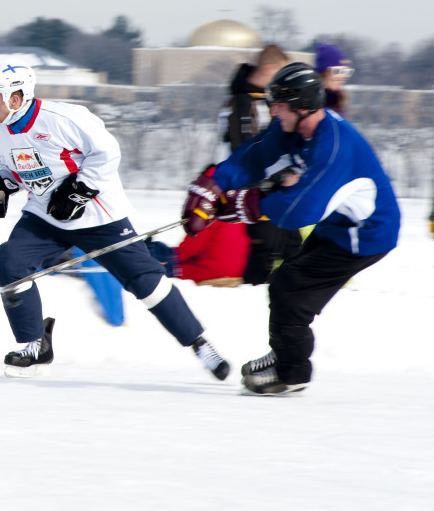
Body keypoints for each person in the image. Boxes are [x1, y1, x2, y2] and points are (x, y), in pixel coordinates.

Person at [0, 62, 230, 380]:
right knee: (10, 262)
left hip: (98, 215)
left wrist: (79, 191)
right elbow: (17, 165)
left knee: (145, 281)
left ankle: (200, 344)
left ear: (16, 99)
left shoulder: (63, 119)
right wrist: (0, 188)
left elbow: (107, 152)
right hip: (46, 214)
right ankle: (34, 345)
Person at [182, 62, 400, 395]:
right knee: (290, 284)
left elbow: (301, 210)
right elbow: (253, 157)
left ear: (302, 106)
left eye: (279, 104)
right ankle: (288, 354)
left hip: (366, 233)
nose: (273, 110)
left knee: (289, 288)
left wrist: (247, 205)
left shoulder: (333, 148)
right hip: (338, 224)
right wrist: (213, 184)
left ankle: (291, 371)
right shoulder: (292, 129)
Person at [224, 44, 302, 285]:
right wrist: (281, 174)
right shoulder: (243, 102)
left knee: (292, 246)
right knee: (265, 251)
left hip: (272, 188)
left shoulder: (264, 100)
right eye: (281, 72)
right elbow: (246, 149)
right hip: (252, 189)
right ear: (269, 70)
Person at [146, 219, 251, 286]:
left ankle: (138, 257)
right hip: (238, 272)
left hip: (208, 272)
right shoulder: (244, 219)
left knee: (157, 251)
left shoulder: (211, 219)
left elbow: (188, 250)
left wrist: (175, 255)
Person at [315, 43, 354, 115]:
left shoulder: (338, 102)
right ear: (323, 73)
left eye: (346, 71)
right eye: (338, 71)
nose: (343, 76)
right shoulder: (310, 104)